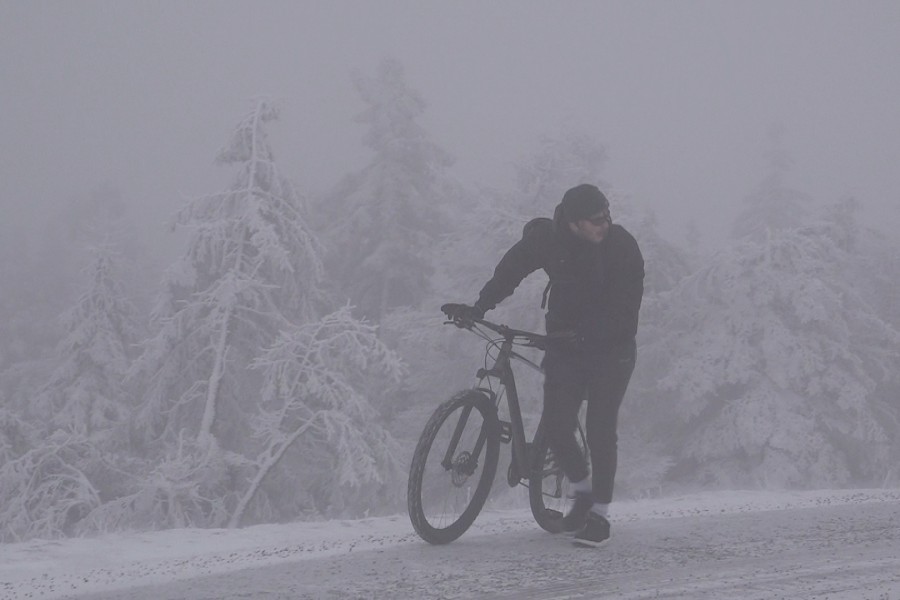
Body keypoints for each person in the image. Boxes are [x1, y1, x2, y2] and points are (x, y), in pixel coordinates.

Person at [444, 183, 644, 547]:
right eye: (597, 219)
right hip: (565, 344)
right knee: (556, 422)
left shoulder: (621, 246)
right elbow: (510, 271)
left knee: (599, 428)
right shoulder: (547, 240)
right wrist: (479, 307)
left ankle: (598, 516)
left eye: (608, 215)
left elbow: (626, 312)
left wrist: (585, 335)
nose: (606, 223)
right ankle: (582, 491)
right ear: (572, 222)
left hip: (612, 350)